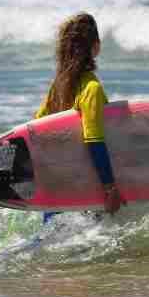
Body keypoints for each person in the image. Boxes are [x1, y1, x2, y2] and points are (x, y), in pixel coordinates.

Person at [34, 12, 124, 223]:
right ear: (96, 46)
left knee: (51, 241)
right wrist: (110, 188)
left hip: (57, 183)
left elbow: (38, 126)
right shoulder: (91, 89)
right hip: (85, 185)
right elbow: (94, 141)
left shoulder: (58, 87)